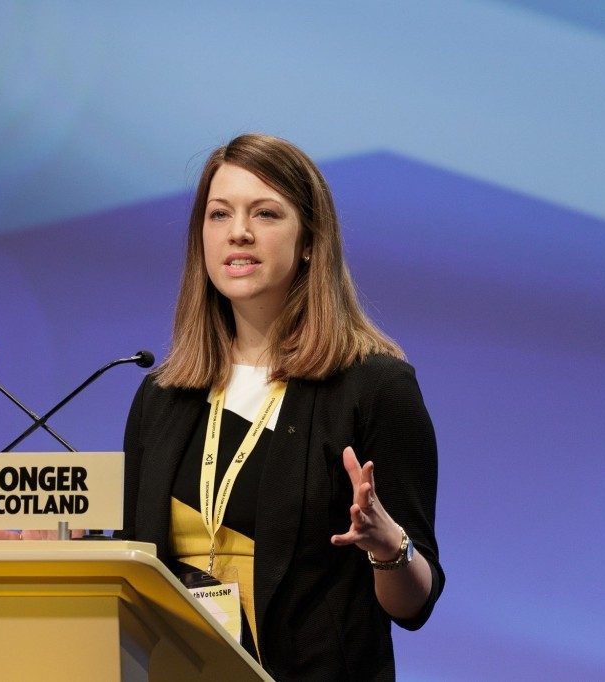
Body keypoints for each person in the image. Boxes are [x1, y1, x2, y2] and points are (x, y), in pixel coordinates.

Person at [115, 133, 444, 680]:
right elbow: (134, 571)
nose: (238, 232)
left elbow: (413, 605)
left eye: (265, 213)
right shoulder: (162, 396)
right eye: (219, 214)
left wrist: (389, 547)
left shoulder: (375, 388)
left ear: (310, 239)